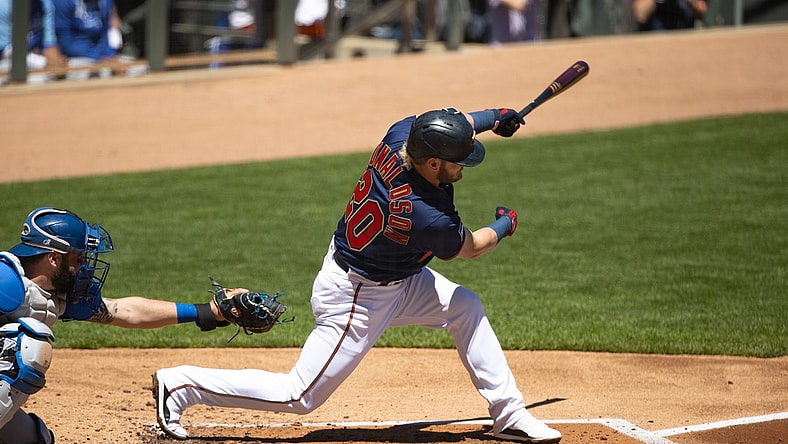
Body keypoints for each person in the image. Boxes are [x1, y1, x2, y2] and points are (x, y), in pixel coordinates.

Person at [152, 107, 563, 443]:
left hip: (397, 277)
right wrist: (506, 223)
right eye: (458, 162)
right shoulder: (425, 213)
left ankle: (508, 414)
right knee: (299, 395)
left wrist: (495, 116)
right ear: (432, 161)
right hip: (357, 297)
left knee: (465, 307)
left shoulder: (403, 135)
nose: (463, 168)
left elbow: (452, 122)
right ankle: (181, 385)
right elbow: (471, 246)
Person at [0, 207, 231, 443]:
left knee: (36, 440)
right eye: (79, 259)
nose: (85, 267)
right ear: (53, 258)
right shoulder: (5, 281)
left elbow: (127, 312)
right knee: (28, 347)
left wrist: (207, 312)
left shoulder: (51, 296)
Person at [0, 0, 66, 83]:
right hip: (5, 60)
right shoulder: (3, 5)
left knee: (49, 76)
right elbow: (5, 50)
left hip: (33, 58)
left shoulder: (44, 3)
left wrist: (55, 63)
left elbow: (49, 42)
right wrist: (41, 62)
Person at [632, 0, 707, 31]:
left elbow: (702, 12)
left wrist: (689, 2)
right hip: (656, 44)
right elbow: (640, 14)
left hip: (684, 42)